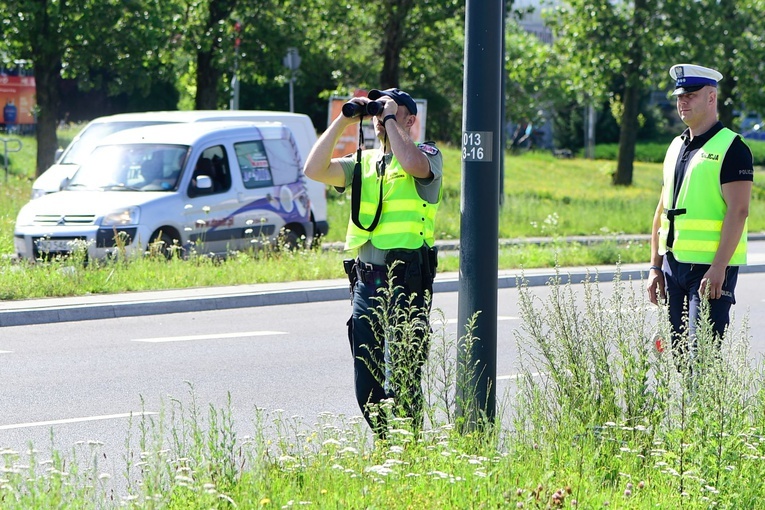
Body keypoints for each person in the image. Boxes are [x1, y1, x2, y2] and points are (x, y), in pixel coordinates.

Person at [304, 88, 442, 436]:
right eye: (379, 113)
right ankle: (387, 443)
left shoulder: (427, 154)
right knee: (366, 378)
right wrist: (343, 119)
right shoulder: (363, 162)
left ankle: (408, 446)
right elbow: (314, 169)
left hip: (407, 281)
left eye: (391, 112)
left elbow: (411, 164)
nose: (381, 118)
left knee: (406, 374)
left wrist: (392, 118)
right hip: (366, 282)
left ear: (410, 120)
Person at [647, 64, 753, 369]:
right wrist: (655, 266)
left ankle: (710, 415)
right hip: (673, 266)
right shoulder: (675, 145)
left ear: (711, 97)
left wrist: (719, 267)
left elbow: (739, 210)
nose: (683, 102)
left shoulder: (732, 148)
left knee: (703, 356)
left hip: (710, 271)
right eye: (680, 96)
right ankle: (690, 417)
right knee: (678, 357)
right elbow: (661, 209)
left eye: (691, 96)